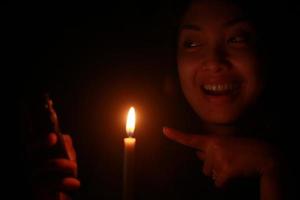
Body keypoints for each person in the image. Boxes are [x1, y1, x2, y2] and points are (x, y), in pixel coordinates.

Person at [26, 0, 295, 199]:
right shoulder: (138, 168)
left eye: (236, 39)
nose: (214, 61)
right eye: (192, 43)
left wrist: (272, 170)